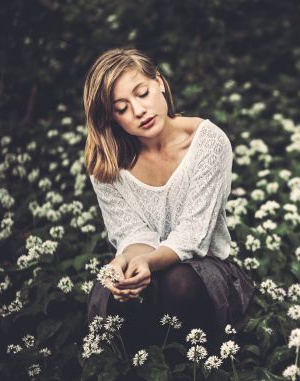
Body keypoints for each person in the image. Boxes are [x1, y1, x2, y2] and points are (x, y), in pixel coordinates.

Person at [82, 47, 255, 355]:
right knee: (109, 292)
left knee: (178, 283)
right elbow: (132, 234)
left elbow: (193, 234)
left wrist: (149, 263)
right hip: (145, 267)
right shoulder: (107, 164)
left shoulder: (207, 142)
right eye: (122, 108)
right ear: (112, 117)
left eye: (142, 93)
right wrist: (124, 264)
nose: (139, 111)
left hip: (205, 271)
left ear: (159, 82)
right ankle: (139, 365)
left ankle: (198, 362)